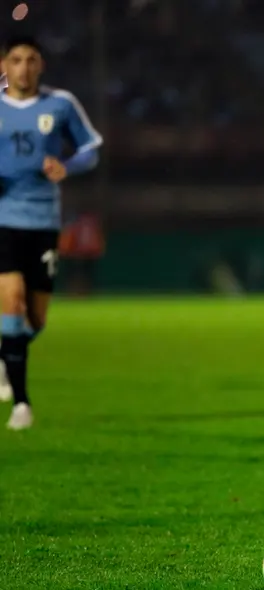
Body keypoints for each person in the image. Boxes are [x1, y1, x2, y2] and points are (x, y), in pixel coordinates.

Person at [0, 36, 102, 429]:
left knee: (37, 319)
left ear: (40, 65)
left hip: (43, 222)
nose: (23, 68)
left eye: (30, 60)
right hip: (4, 220)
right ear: (4, 65)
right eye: (15, 60)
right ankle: (22, 405)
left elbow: (90, 149)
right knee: (11, 301)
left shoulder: (60, 105)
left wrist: (67, 165)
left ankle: (7, 355)